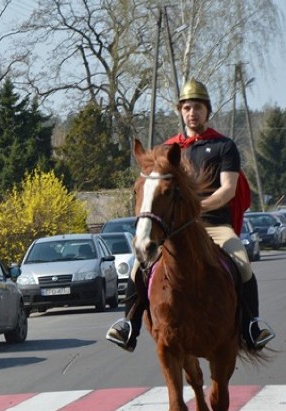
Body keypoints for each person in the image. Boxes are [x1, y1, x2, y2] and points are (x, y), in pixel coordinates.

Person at [106, 78, 275, 352]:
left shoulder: (224, 146)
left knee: (242, 263)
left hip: (214, 224)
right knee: (138, 265)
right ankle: (129, 325)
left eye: (197, 107)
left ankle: (251, 325)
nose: (192, 113)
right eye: (186, 108)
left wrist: (197, 208)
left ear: (207, 111)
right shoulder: (168, 149)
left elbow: (228, 190)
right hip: (173, 228)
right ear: (180, 112)